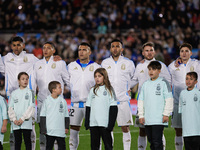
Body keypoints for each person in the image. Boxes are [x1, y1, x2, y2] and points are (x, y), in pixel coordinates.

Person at [131, 42, 171, 150]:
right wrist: (123, 88)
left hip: (157, 103)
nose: (149, 52)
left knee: (158, 129)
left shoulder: (161, 65)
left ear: (154, 52)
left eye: (151, 50)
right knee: (142, 129)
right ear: (143, 53)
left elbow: (168, 81)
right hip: (143, 103)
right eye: (147, 50)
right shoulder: (139, 66)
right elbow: (134, 80)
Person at [1, 36, 38, 150]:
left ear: (23, 45)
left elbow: (43, 65)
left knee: (30, 128)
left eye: (18, 45)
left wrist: (53, 58)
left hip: (27, 96)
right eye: (14, 45)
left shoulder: (31, 58)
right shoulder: (6, 58)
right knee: (13, 127)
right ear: (11, 46)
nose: (16, 47)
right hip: (12, 95)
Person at [34, 41, 69, 150]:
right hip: (42, 101)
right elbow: (34, 83)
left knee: (57, 130)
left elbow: (67, 79)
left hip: (57, 101)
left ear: (53, 51)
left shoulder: (60, 63)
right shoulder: (37, 64)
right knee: (43, 129)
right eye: (44, 47)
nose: (45, 50)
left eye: (49, 48)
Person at [101, 39, 135, 150]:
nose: (115, 48)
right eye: (113, 46)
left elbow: (134, 78)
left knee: (125, 128)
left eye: (117, 46)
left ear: (122, 49)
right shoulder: (105, 63)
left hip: (123, 100)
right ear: (110, 49)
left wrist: (129, 87)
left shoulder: (129, 63)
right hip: (108, 101)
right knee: (108, 128)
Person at [68, 42, 100, 150]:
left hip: (90, 104)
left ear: (89, 52)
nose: (81, 52)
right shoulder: (71, 66)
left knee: (94, 131)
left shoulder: (96, 67)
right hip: (75, 104)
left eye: (84, 50)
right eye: (79, 50)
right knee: (73, 130)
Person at [168, 43, 200, 150]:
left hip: (194, 103)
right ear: (179, 53)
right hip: (178, 102)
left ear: (191, 53)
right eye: (182, 51)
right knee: (178, 130)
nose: (184, 53)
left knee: (194, 129)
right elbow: (167, 80)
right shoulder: (173, 66)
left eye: (187, 51)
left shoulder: (196, 64)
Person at [138, 61, 173, 150]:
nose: (151, 71)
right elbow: (141, 100)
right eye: (149, 69)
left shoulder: (164, 82)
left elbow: (169, 99)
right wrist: (141, 115)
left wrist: (166, 114)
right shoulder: (145, 84)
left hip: (158, 118)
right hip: (148, 119)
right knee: (151, 142)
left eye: (154, 69)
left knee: (157, 142)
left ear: (159, 71)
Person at [85, 68, 118, 150]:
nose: (97, 78)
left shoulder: (109, 90)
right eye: (95, 76)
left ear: (104, 77)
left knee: (108, 146)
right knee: (94, 146)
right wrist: (87, 122)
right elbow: (88, 106)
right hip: (94, 123)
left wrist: (111, 124)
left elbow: (114, 108)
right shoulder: (92, 90)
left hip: (105, 124)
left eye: (99, 76)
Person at [8, 72, 35, 150]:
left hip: (26, 122)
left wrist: (22, 118)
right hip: (16, 122)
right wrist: (14, 119)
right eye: (23, 79)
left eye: (27, 79)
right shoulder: (14, 93)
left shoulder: (31, 92)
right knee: (17, 142)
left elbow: (31, 107)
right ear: (18, 81)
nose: (25, 81)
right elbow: (10, 107)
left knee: (27, 142)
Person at [40, 81, 69, 150]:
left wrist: (66, 127)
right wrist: (43, 129)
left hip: (60, 130)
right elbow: (42, 116)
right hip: (50, 131)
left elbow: (66, 115)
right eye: (59, 87)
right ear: (53, 90)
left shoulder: (63, 101)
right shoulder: (47, 101)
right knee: (49, 147)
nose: (61, 89)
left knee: (62, 147)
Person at [179, 72, 200, 150]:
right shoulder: (182, 93)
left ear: (196, 82)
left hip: (197, 130)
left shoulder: (198, 93)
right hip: (186, 130)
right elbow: (181, 109)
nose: (188, 81)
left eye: (191, 79)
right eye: (187, 78)